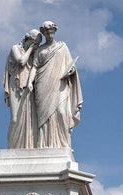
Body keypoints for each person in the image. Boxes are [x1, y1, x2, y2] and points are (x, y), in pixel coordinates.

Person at [28, 20, 83, 148]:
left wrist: (71, 71)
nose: (49, 34)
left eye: (51, 31)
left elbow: (70, 64)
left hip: (60, 83)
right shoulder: (40, 50)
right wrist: (30, 82)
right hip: (43, 83)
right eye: (46, 32)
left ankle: (64, 144)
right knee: (43, 116)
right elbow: (34, 68)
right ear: (43, 33)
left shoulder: (62, 47)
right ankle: (43, 143)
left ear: (55, 32)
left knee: (62, 112)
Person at [3, 29, 42, 148]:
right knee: (15, 119)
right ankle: (11, 148)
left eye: (38, 44)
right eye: (35, 43)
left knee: (28, 120)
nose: (36, 46)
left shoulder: (33, 55)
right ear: (29, 39)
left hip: (28, 87)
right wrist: (31, 49)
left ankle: (27, 146)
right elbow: (21, 61)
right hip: (15, 85)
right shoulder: (15, 48)